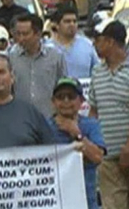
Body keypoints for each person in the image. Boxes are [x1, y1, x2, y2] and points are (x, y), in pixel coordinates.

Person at [89, 20, 129, 209]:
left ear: (110, 41)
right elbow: (94, 110)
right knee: (114, 204)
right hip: (108, 157)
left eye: (98, 40)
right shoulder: (97, 72)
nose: (95, 45)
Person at [47, 77, 105, 209]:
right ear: (53, 102)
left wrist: (77, 134)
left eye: (71, 96)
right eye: (60, 97)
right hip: (54, 201)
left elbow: (98, 157)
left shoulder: (91, 125)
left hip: (86, 201)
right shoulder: (43, 127)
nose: (66, 101)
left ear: (81, 101)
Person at [9, 13, 67, 117]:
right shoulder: (11, 58)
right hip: (21, 118)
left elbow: (63, 86)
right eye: (18, 34)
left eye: (25, 34)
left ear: (38, 34)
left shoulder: (55, 56)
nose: (21, 38)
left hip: (49, 117)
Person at [49, 6, 100, 79]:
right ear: (57, 25)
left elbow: (97, 71)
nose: (72, 24)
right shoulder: (47, 48)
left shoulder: (87, 46)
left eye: (74, 21)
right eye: (67, 21)